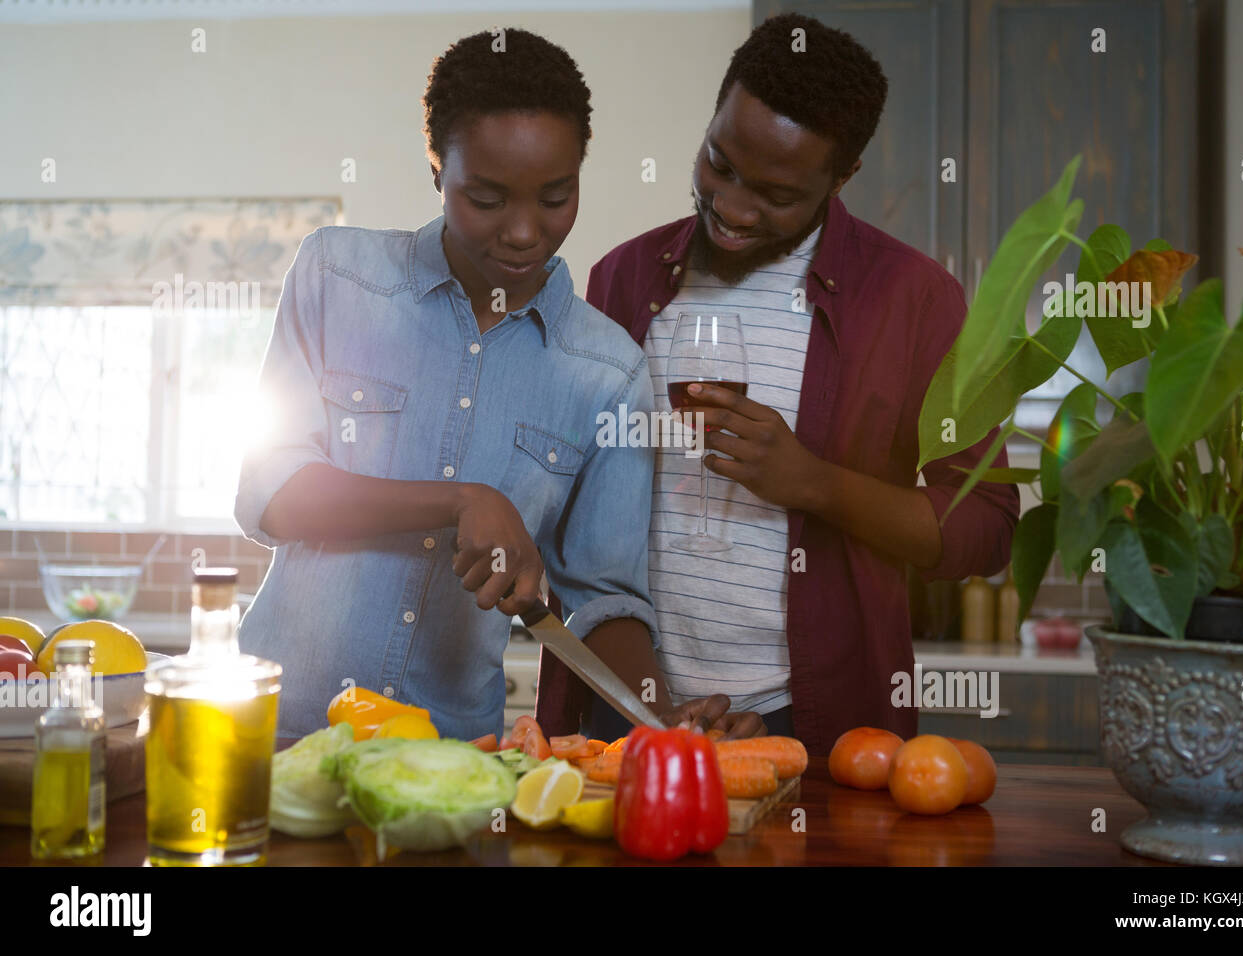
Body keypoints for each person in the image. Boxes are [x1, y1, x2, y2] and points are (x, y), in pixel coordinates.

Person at [537, 13, 1020, 754]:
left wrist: (813, 483)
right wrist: (660, 712)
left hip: (814, 721)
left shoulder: (915, 299)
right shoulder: (624, 277)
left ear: (842, 177)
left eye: (776, 193)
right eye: (719, 163)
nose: (731, 206)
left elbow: (985, 527)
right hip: (630, 704)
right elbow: (583, 517)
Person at [234, 28, 724, 739]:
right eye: (487, 199)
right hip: (274, 735)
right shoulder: (337, 276)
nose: (525, 232)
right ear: (437, 169)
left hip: (455, 761)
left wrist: (661, 709)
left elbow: (603, 600)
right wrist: (462, 501)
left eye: (555, 198)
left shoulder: (610, 371)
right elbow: (272, 494)